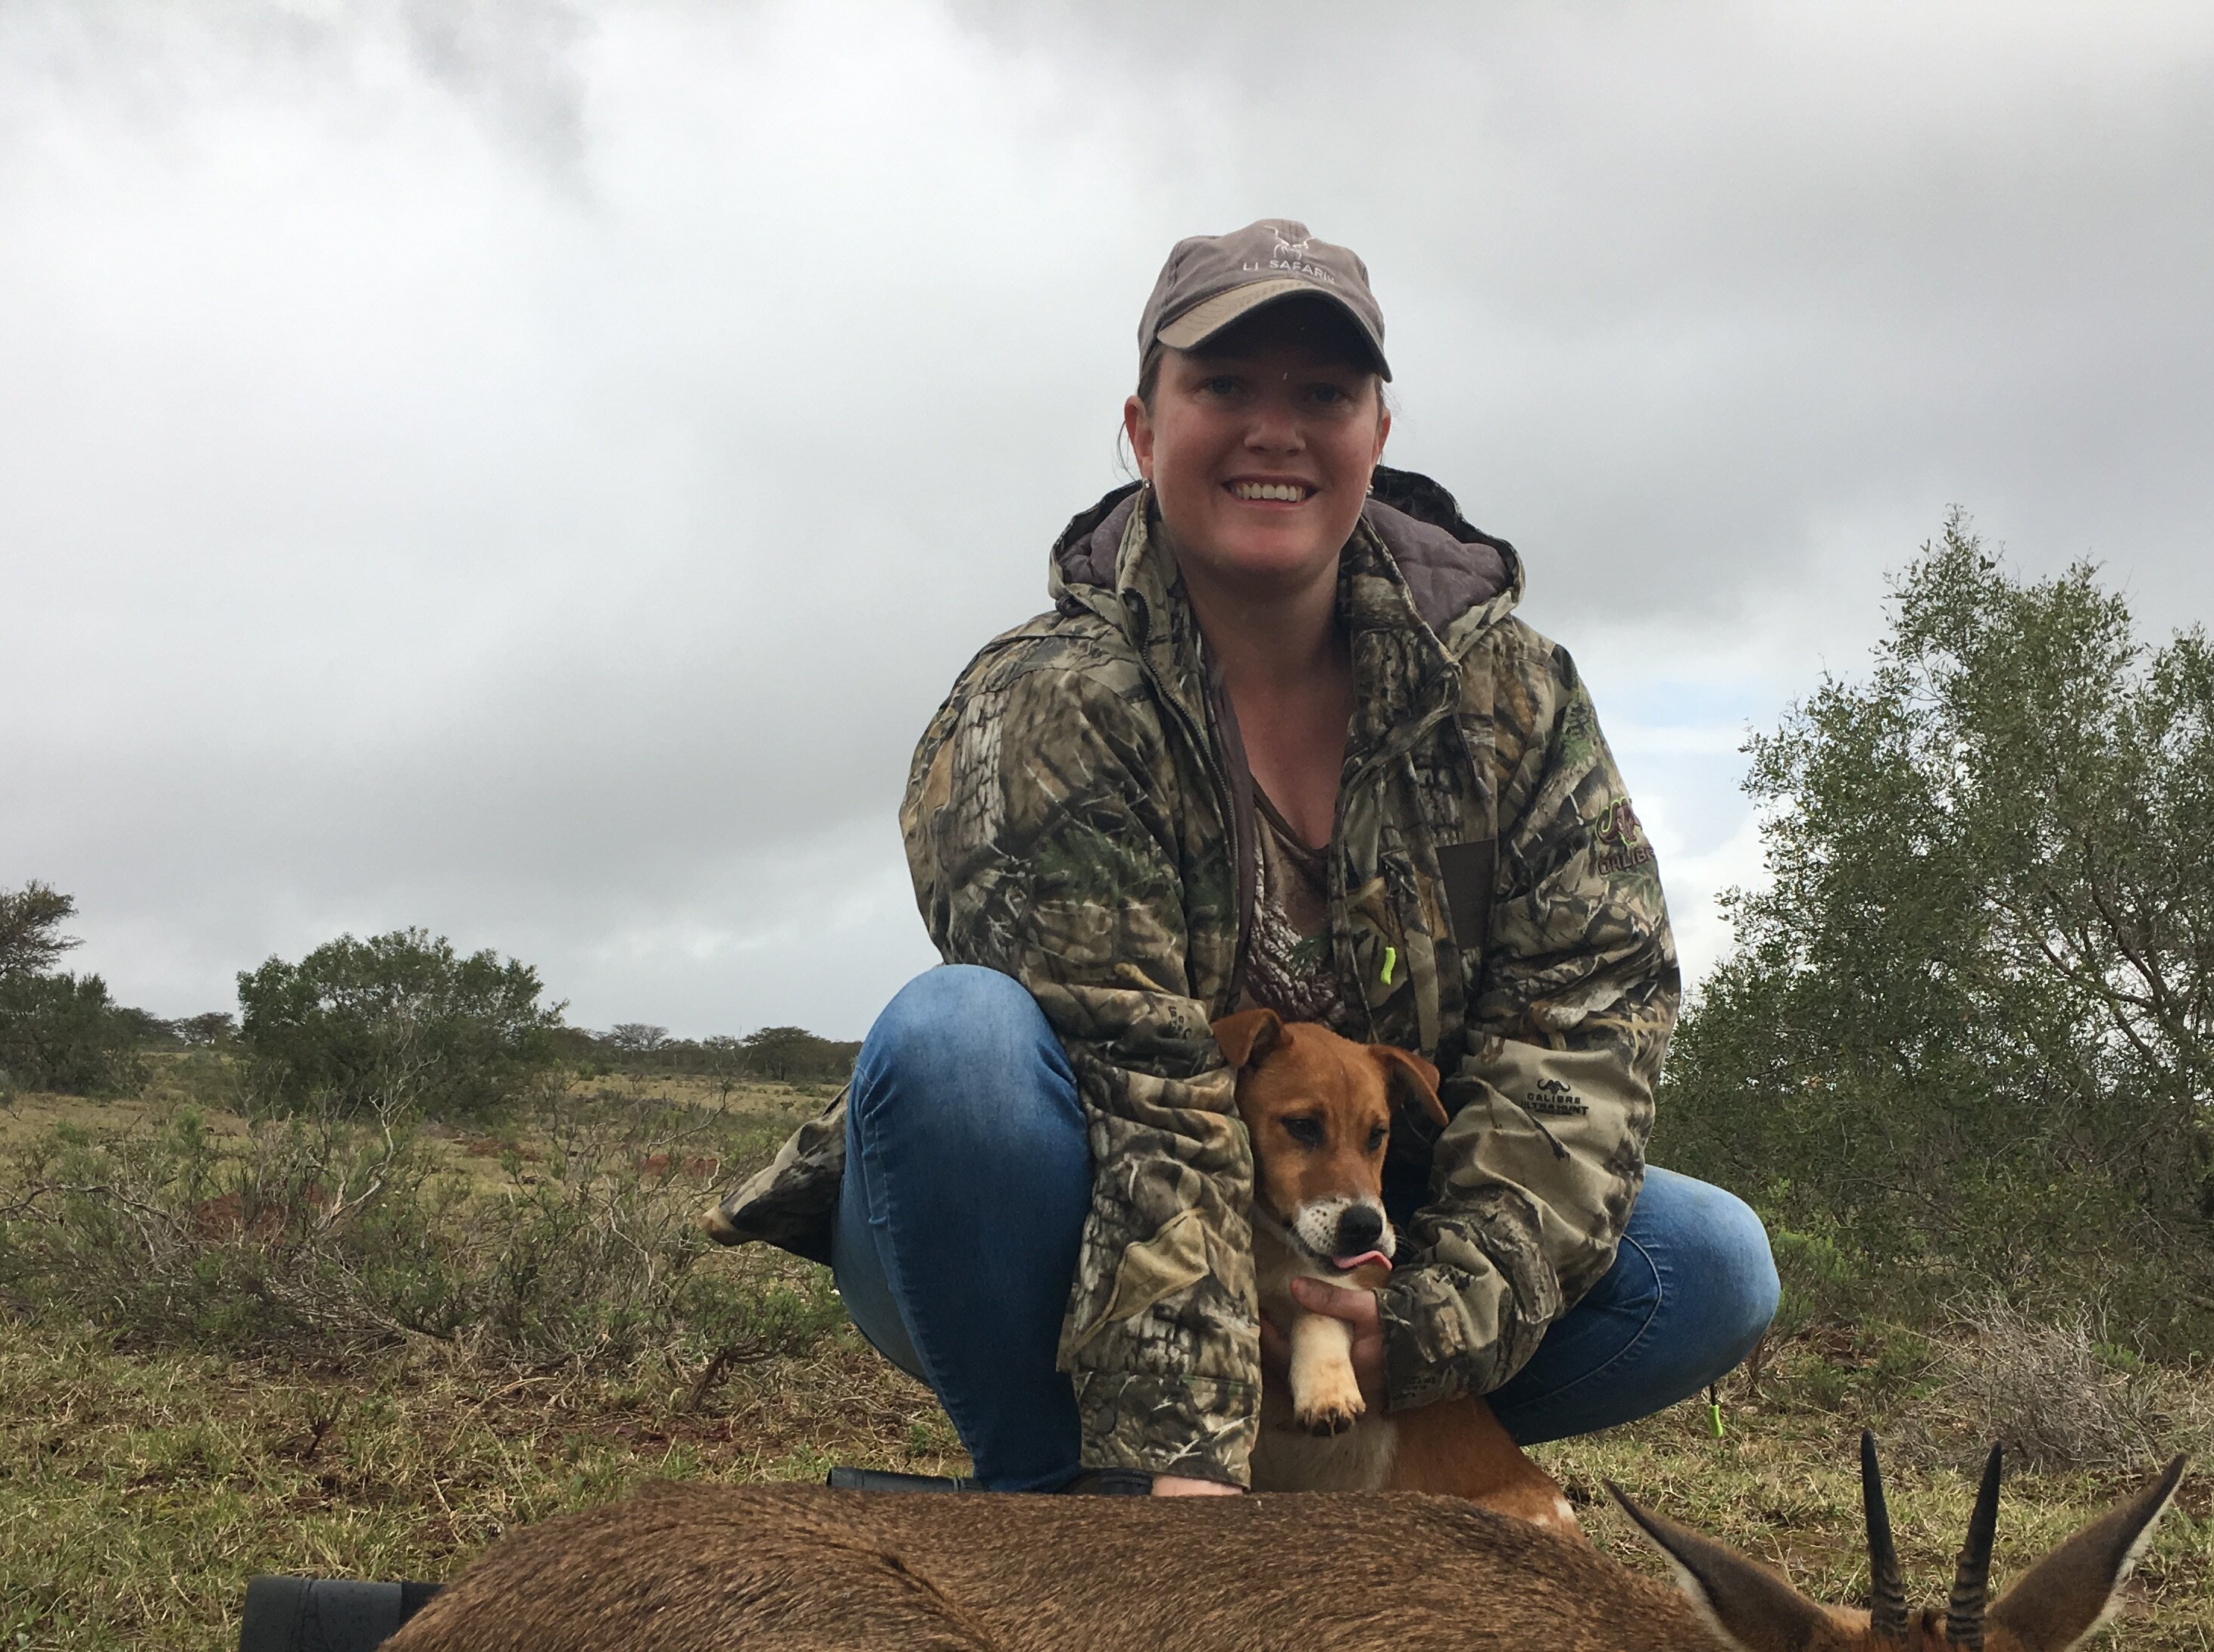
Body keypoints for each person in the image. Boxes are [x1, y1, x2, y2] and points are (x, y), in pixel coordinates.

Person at [707, 218, 1777, 1494]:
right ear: (1144, 428)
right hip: (1053, 1222)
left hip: (1355, 1257)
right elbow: (1144, 1099)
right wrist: (1181, 1482)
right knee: (956, 1052)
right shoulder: (1051, 706)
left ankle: (1347, 1478)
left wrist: (1427, 1323)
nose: (1277, 431)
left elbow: (1585, 1033)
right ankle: (1067, 1508)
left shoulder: (1513, 693)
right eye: (1223, 386)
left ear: (1378, 436)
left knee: (1709, 1262)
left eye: (1323, 394)